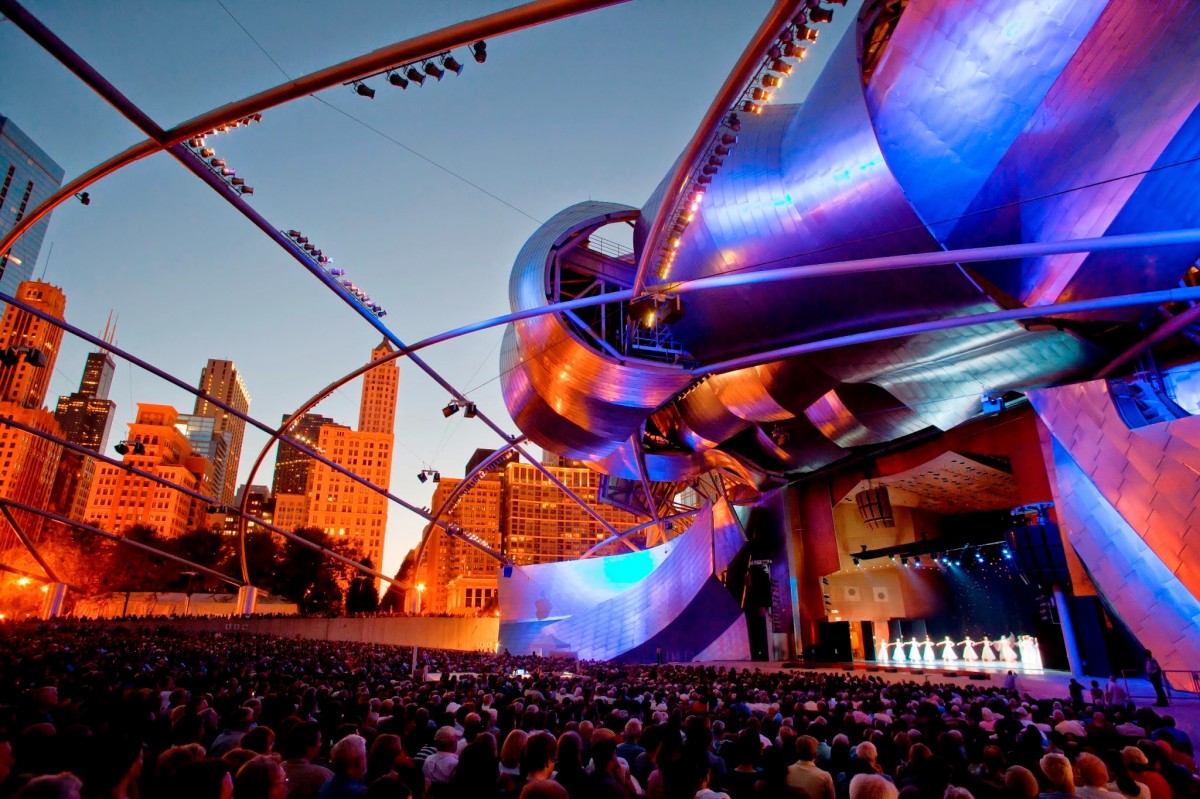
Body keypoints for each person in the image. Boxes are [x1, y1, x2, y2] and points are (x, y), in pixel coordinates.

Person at [281, 723, 333, 799]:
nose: (321, 744)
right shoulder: (321, 774)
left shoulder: (279, 767)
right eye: (320, 741)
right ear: (309, 747)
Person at [320, 735, 369, 799]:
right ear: (359, 762)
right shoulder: (360, 793)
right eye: (365, 755)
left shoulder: (326, 784)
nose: (367, 758)